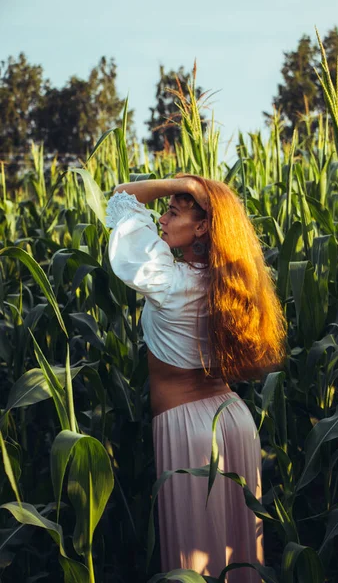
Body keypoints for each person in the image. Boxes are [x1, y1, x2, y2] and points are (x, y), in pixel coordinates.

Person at [105, 173, 287, 582]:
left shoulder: (170, 281)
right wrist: (196, 194)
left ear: (203, 226)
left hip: (190, 431)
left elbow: (121, 199)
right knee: (235, 552)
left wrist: (174, 182)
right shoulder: (230, 285)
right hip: (233, 423)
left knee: (195, 563)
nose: (162, 219)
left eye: (172, 211)